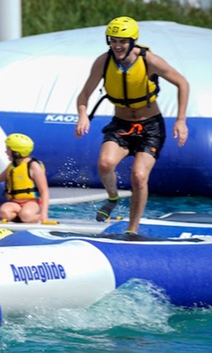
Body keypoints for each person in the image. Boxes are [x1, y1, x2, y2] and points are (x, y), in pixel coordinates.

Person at [75, 16, 190, 234]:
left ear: (132, 41)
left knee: (138, 176)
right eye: (113, 40)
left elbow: (182, 83)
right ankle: (112, 197)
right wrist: (82, 115)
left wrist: (181, 120)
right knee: (105, 163)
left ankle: (132, 229)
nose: (117, 46)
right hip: (121, 124)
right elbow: (84, 95)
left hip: (150, 128)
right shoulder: (103, 62)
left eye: (122, 41)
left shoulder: (150, 61)